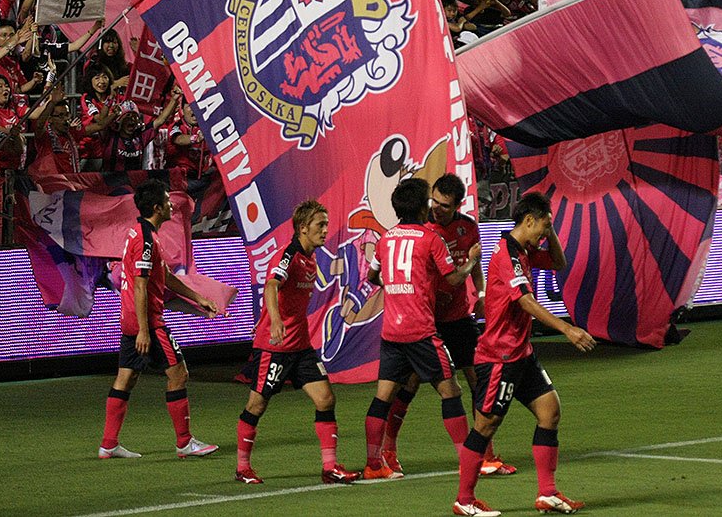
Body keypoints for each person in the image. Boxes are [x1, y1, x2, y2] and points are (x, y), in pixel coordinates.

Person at [454, 192, 595, 517]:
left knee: (550, 411)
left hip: (521, 353)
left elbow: (558, 263)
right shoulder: (507, 254)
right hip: (500, 357)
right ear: (528, 221)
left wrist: (550, 229)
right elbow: (525, 301)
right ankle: (464, 499)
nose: (545, 233)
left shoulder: (524, 251)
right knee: (485, 426)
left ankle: (547, 493)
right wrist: (567, 329)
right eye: (544, 226)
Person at [382, 174, 515, 477]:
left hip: (457, 317)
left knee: (477, 381)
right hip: (425, 319)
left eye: (444, 205)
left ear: (457, 205)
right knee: (409, 385)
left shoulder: (468, 227)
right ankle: (389, 450)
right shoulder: (422, 229)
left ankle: (486, 454)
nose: (437, 209)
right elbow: (455, 272)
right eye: (434, 202)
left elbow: (475, 265)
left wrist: (481, 294)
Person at [363, 178, 481, 480]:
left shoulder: (386, 238)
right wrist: (470, 263)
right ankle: (468, 460)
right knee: (451, 391)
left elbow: (373, 276)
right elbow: (453, 279)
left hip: (392, 332)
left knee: (383, 397)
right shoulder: (430, 239)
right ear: (421, 207)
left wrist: (395, 288)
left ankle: (374, 464)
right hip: (421, 331)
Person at [235, 200, 361, 485]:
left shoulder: (310, 258)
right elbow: (271, 285)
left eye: (326, 224)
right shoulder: (288, 255)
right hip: (275, 347)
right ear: (303, 228)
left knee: (326, 398)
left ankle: (330, 467)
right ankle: (242, 468)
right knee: (256, 405)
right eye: (320, 225)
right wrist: (275, 320)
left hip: (301, 346)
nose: (325, 230)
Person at [99, 179, 221, 460]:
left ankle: (108, 444)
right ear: (156, 207)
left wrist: (197, 297)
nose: (171, 205)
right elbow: (141, 286)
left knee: (126, 377)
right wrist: (145, 330)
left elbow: (162, 275)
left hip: (130, 318)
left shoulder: (140, 233)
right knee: (179, 374)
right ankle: (184, 442)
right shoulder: (146, 239)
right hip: (148, 321)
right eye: (167, 201)